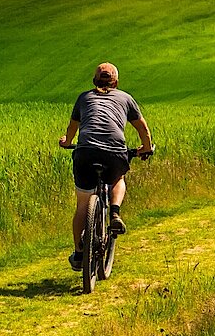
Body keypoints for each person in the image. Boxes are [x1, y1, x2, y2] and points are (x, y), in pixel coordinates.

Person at [58, 62, 153, 272]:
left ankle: (79, 252)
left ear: (94, 81)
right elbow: (142, 128)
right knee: (118, 178)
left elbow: (72, 128)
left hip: (85, 152)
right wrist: (146, 148)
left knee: (82, 204)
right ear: (116, 82)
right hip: (114, 153)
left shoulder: (84, 98)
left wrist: (67, 142)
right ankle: (115, 213)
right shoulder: (125, 98)